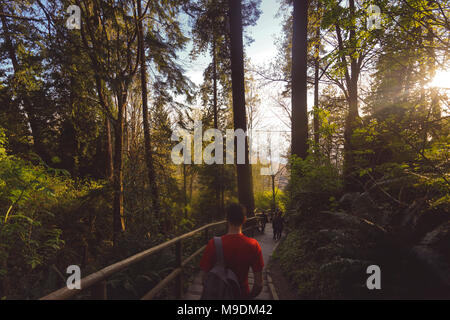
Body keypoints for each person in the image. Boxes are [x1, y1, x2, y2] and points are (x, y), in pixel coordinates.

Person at [200, 203, 264, 299]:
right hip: (242, 295)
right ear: (244, 219)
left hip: (219, 295)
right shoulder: (253, 245)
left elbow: (204, 278)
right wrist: (248, 297)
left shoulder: (213, 244)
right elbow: (258, 284)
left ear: (227, 219)